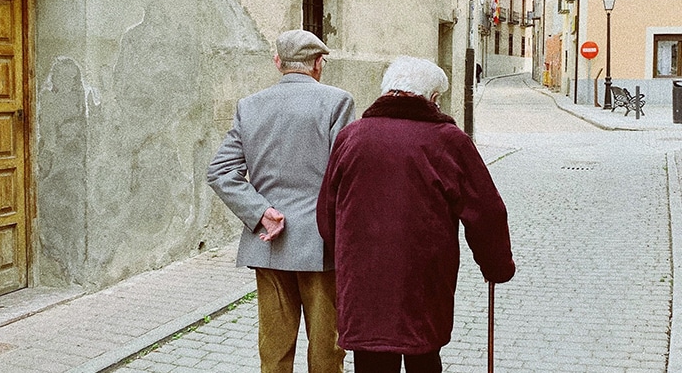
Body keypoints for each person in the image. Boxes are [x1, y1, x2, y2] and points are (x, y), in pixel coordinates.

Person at [316, 56, 516, 373]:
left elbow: (327, 211)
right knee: (423, 355)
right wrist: (496, 265)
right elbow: (487, 212)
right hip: (424, 280)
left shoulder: (351, 137)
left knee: (371, 358)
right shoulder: (449, 141)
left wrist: (345, 257)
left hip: (364, 281)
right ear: (434, 99)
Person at [207, 29, 355, 373]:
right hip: (322, 244)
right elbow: (345, 174)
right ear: (319, 64)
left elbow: (220, 172)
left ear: (277, 63)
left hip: (268, 242)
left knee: (273, 349)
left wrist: (260, 212)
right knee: (327, 350)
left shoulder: (249, 105)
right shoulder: (337, 101)